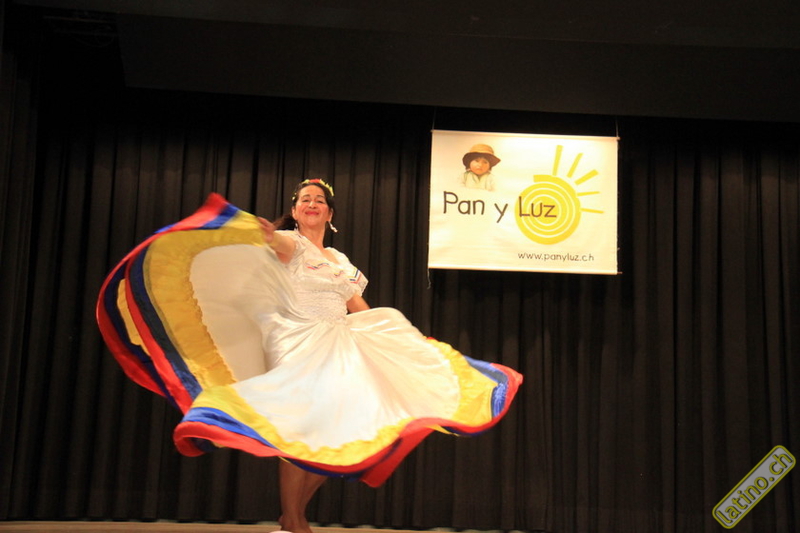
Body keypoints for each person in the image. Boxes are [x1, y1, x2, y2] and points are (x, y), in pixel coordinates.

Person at [97, 178, 522, 533]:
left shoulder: (339, 260)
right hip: (297, 339)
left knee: (336, 433)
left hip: (337, 342)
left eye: (319, 200)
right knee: (302, 427)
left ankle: (291, 515)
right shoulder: (293, 244)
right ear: (296, 211)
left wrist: (399, 341)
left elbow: (359, 306)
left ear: (330, 213)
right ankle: (296, 520)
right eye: (305, 200)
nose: (312, 204)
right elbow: (270, 239)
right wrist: (257, 230)